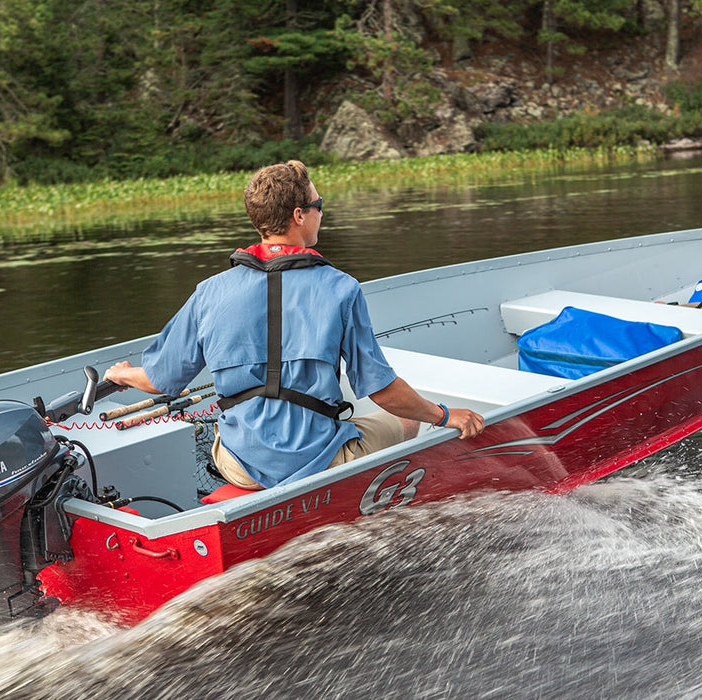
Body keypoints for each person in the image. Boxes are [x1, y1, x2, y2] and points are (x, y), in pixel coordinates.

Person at [104, 160, 483, 490]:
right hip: (318, 458)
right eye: (319, 206)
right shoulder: (341, 288)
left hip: (239, 465)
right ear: (299, 216)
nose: (322, 213)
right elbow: (383, 393)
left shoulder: (208, 292)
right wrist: (447, 415)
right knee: (405, 418)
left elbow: (161, 381)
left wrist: (124, 375)